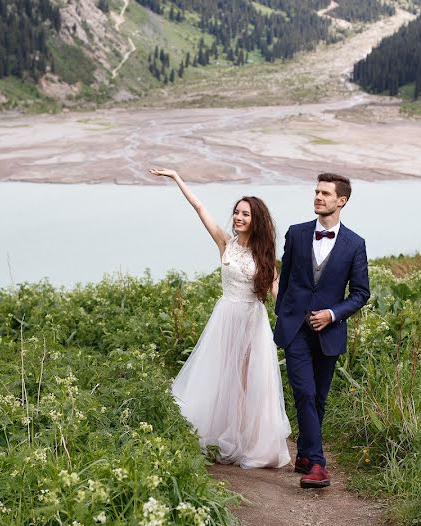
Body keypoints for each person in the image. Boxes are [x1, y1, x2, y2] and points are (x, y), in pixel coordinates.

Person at [149, 168, 291, 469]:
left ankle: (246, 440)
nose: (239, 218)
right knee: (222, 377)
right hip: (225, 317)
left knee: (246, 381)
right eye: (237, 213)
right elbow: (199, 208)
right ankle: (224, 437)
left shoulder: (264, 255)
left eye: (246, 215)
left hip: (252, 321)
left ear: (256, 221)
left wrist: (297, 319)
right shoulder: (225, 243)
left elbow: (278, 293)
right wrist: (176, 177)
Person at [274, 173, 370, 488]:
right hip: (296, 330)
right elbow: (285, 280)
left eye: (325, 193)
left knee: (319, 399)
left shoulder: (355, 244)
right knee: (304, 391)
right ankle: (318, 464)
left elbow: (360, 293)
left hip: (329, 332)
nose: (318, 197)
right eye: (316, 191)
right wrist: (285, 317)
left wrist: (332, 314)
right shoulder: (296, 234)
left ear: (341, 200)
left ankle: (304, 453)